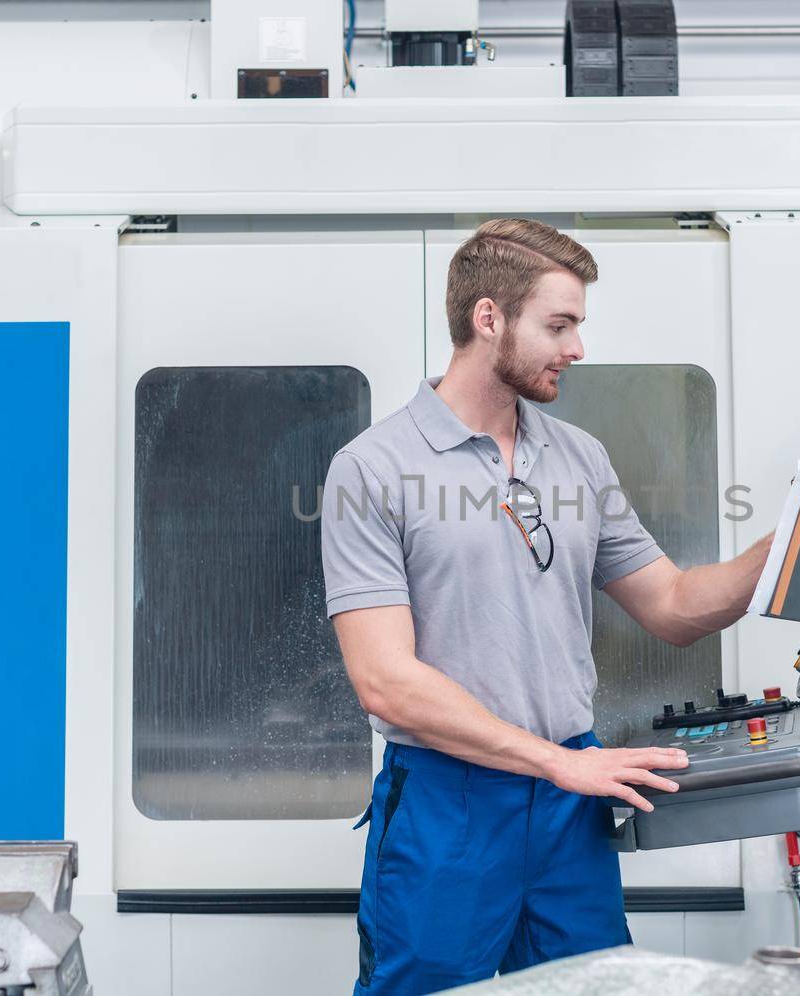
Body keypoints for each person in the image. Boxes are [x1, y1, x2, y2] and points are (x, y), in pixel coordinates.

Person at [320, 218, 775, 995]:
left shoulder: (577, 455)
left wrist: (785, 547)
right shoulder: (373, 469)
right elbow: (385, 682)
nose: (577, 348)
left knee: (591, 987)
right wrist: (561, 764)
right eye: (558, 325)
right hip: (447, 801)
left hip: (570, 801)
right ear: (487, 318)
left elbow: (669, 603)